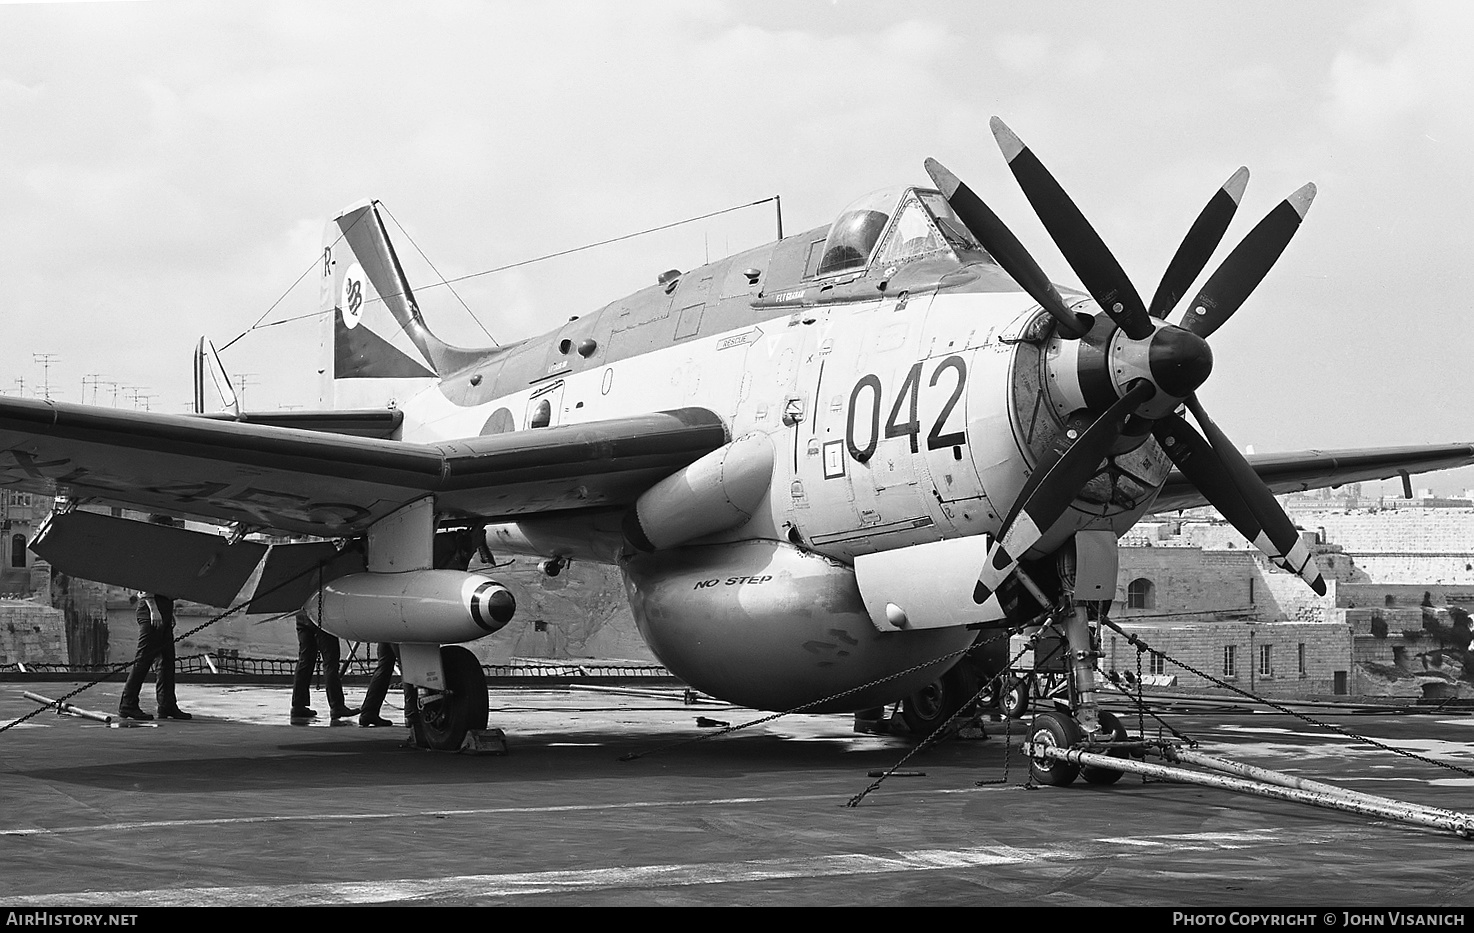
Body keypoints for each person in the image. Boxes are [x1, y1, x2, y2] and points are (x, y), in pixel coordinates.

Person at [119, 521, 191, 721]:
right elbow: (144, 587)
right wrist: (155, 610)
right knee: (144, 659)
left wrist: (169, 612)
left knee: (167, 660)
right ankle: (127, 704)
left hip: (162, 608)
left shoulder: (160, 551)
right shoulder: (150, 552)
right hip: (152, 609)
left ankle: (167, 705)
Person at [291, 610, 358, 721]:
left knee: (305, 660)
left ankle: (298, 704)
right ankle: (337, 705)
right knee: (330, 662)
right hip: (321, 616)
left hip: (302, 615)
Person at [358, 642, 398, 728]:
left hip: (386, 633)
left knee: (384, 667)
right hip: (400, 633)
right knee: (406, 665)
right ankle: (412, 713)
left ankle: (368, 711)